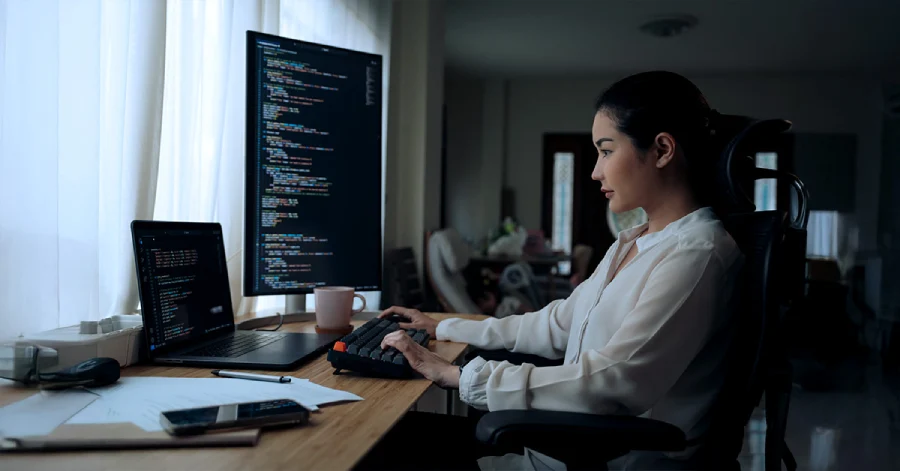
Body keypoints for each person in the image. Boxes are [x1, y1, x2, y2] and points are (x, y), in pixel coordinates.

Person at [357, 71, 744, 471]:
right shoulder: (636, 241)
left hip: (609, 461)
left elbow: (615, 381)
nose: (596, 171)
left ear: (662, 150)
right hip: (564, 449)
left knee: (377, 447)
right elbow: (559, 322)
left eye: (607, 151)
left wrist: (460, 376)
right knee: (378, 436)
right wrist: (446, 327)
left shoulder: (697, 253)